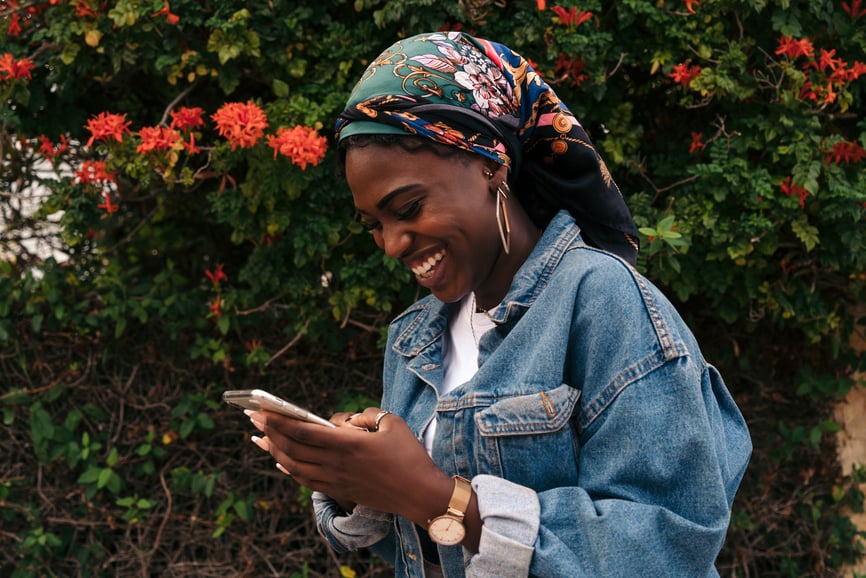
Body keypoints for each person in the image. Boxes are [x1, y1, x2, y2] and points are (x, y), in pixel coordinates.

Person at [246, 31, 752, 577]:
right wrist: (359, 482)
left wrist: (438, 496)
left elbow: (668, 544)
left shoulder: (601, 300)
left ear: (492, 166)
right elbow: (430, 548)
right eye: (375, 225)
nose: (392, 244)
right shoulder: (413, 339)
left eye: (408, 207)